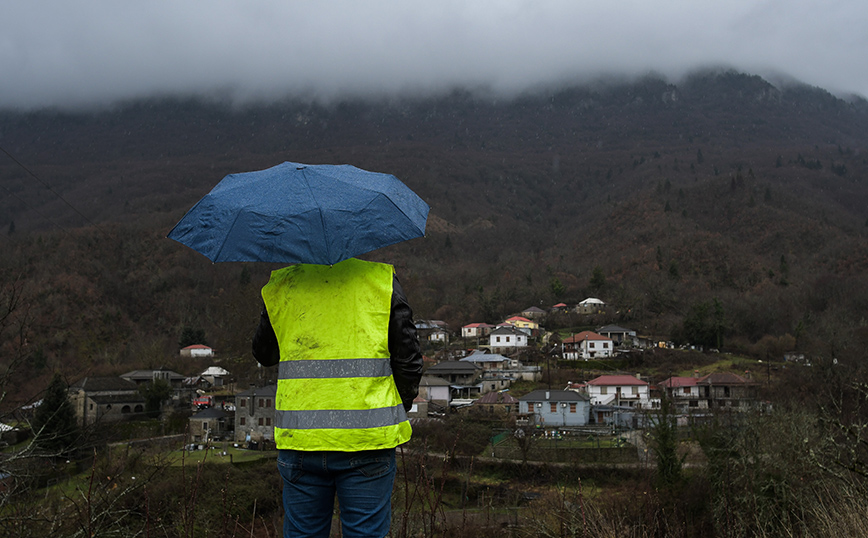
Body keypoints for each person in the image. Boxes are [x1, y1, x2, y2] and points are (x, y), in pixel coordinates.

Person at [252, 257, 423, 538]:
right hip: (368, 441)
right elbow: (409, 359)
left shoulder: (281, 284)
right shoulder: (380, 280)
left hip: (300, 443)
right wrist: (396, 407)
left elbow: (265, 353)